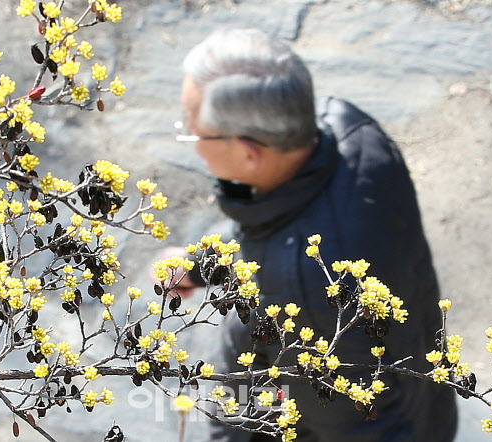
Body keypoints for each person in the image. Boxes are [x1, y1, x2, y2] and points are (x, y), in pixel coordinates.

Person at [171, 28, 458, 442]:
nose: (191, 142)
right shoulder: (352, 133)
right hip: (424, 389)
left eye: (192, 130)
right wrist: (200, 266)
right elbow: (272, 223)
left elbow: (360, 428)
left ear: (249, 152)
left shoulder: (305, 293)